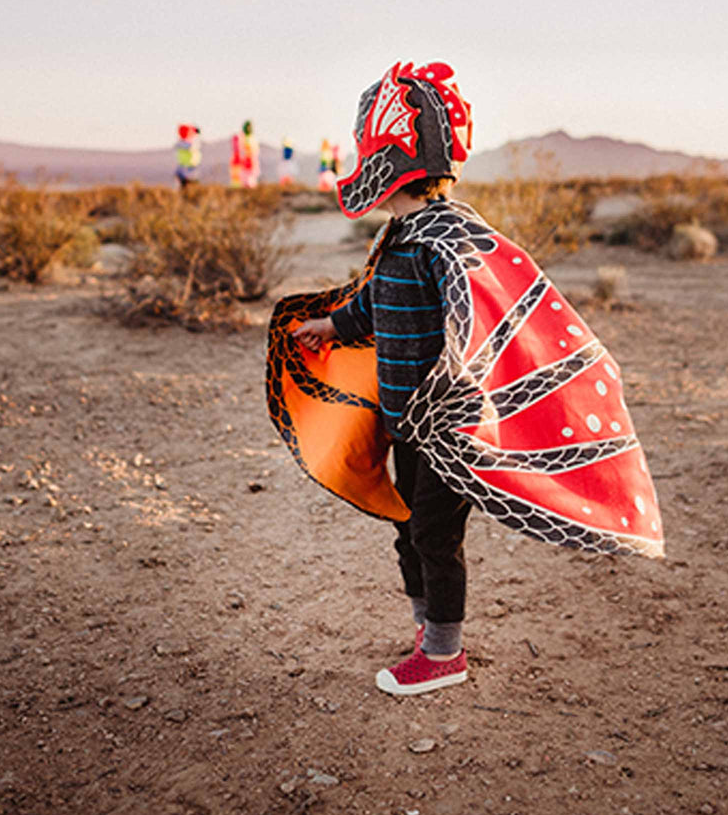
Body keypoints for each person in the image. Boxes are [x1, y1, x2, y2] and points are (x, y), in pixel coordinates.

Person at [271, 61, 663, 698]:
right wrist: (333, 325)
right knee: (407, 529)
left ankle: (445, 655)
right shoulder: (401, 237)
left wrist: (454, 392)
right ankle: (429, 635)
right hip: (403, 422)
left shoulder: (449, 237)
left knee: (433, 534)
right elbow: (377, 305)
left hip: (444, 430)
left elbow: (478, 319)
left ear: (390, 157)